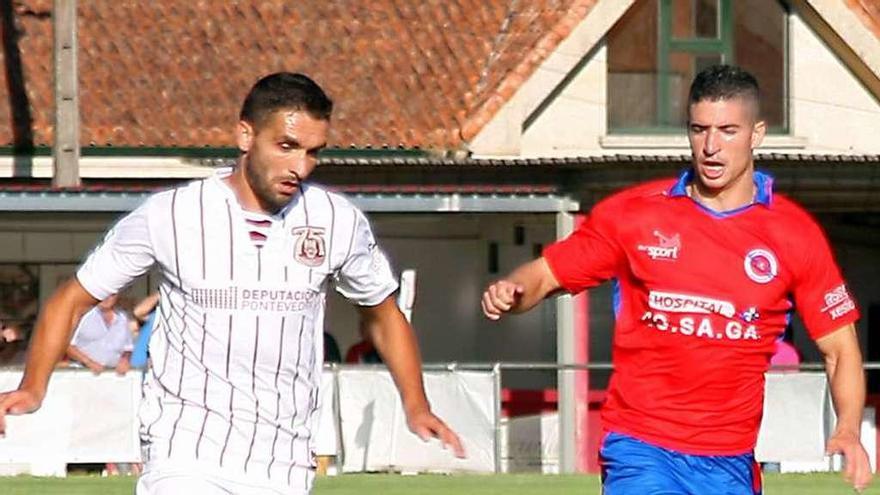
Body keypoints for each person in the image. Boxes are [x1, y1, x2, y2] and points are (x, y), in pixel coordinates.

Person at [0, 72, 463, 494]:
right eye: (286, 146)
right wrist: (34, 386)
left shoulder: (337, 221)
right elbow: (72, 299)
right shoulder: (171, 215)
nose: (300, 167)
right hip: (184, 451)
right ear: (245, 135)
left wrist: (416, 404)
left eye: (313, 151)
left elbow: (383, 313)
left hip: (283, 460)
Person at [481, 65, 871, 494]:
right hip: (640, 444)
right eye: (699, 130)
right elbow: (544, 275)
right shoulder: (635, 216)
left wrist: (849, 428)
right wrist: (512, 293)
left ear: (756, 134)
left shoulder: (793, 235)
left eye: (727, 130)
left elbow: (840, 350)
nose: (711, 146)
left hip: (730, 459)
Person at [66, 294, 133, 375]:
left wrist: (124, 359)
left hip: (113, 375)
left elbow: (128, 347)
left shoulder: (123, 318)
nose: (106, 298)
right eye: (102, 294)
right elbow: (67, 345)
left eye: (111, 295)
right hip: (82, 373)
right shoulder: (83, 316)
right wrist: (89, 362)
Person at [130, 292, 160, 369]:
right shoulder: (155, 316)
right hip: (138, 367)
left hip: (158, 369)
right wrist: (161, 293)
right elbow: (138, 312)